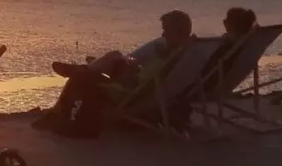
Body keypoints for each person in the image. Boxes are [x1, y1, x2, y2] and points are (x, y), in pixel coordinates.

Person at [36, 10, 195, 135]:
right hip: (137, 84)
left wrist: (132, 74)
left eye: (167, 30)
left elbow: (143, 85)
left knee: (91, 71)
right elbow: (153, 77)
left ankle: (83, 70)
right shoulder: (180, 55)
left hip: (128, 90)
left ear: (177, 32)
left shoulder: (173, 58)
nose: (163, 34)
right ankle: (88, 67)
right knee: (116, 56)